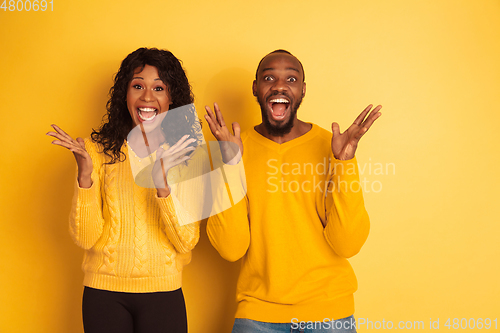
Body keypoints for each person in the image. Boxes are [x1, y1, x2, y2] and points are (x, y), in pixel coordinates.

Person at [205, 49, 382, 333]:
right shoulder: (234, 148)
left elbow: (347, 244)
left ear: (301, 90)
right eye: (268, 77)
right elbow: (230, 248)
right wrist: (230, 165)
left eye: (291, 78)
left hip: (330, 316)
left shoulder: (332, 146)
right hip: (257, 316)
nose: (279, 85)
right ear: (256, 88)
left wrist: (344, 163)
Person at [47, 47, 208, 333]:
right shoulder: (95, 152)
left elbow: (186, 242)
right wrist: (85, 177)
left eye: (159, 88)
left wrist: (161, 184)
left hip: (163, 294)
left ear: (172, 98)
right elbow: (86, 238)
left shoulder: (186, 155)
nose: (147, 97)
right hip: (103, 293)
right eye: (138, 86)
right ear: (125, 95)